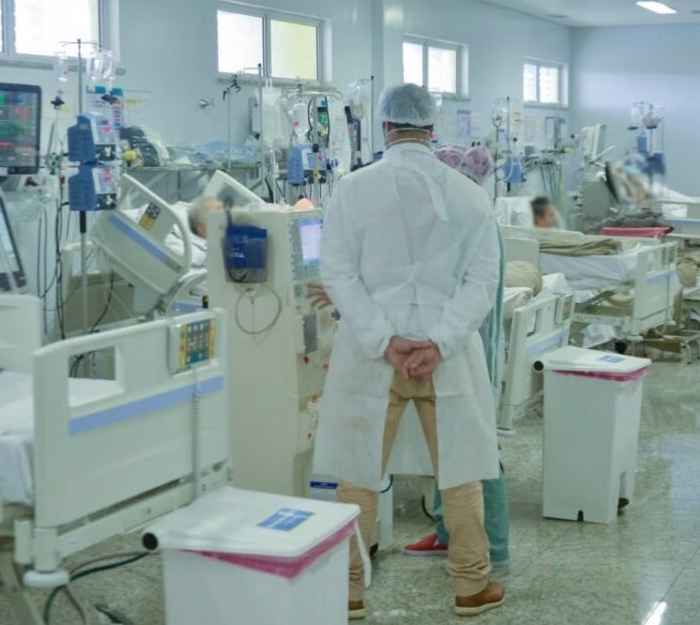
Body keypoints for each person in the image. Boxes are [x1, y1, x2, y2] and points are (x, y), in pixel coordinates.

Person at [313, 84, 504, 619]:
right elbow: (482, 282)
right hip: (447, 357)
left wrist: (384, 340)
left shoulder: (353, 189)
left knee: (358, 476)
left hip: (374, 358)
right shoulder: (470, 195)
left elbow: (338, 273)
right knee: (460, 474)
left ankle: (348, 593)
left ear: (384, 127)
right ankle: (471, 586)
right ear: (432, 128)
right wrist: (439, 342)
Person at [403, 145, 510, 573]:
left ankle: (493, 547)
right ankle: (449, 532)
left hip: (466, 351)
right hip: (451, 349)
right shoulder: (456, 218)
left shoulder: (471, 221)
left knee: (478, 451)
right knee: (449, 448)